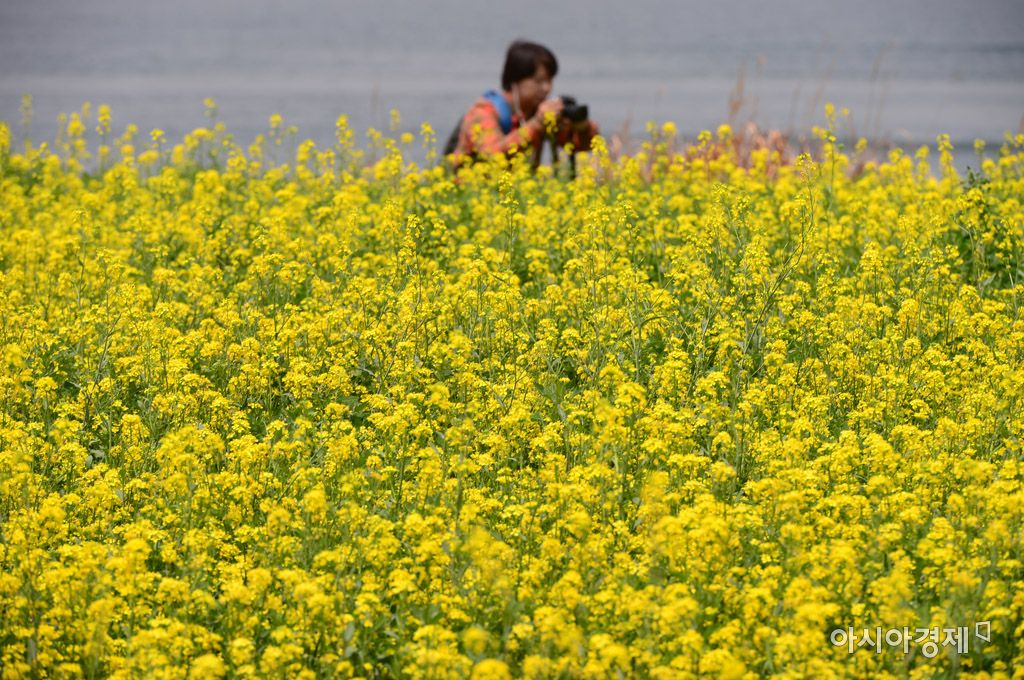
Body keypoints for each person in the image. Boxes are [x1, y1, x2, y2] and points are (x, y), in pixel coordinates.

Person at [448, 40, 598, 168]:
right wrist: (536, 125)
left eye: (549, 80)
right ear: (515, 80)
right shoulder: (483, 112)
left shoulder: (536, 112)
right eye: (539, 81)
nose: (546, 88)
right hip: (469, 195)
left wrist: (582, 127)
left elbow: (581, 146)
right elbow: (492, 155)